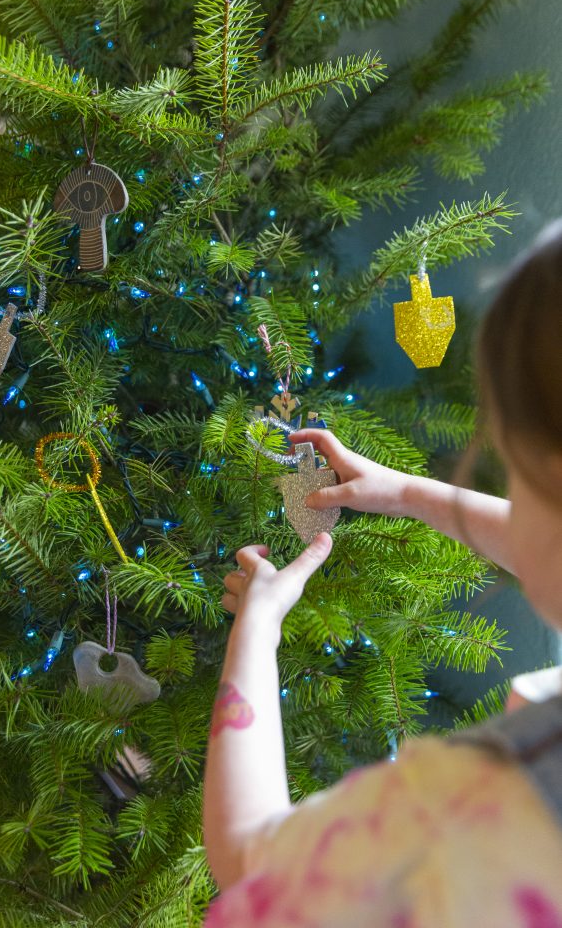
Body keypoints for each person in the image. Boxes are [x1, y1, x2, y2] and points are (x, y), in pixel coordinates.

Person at [202, 221, 562, 927]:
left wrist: (256, 630)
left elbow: (250, 858)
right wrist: (405, 493)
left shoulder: (483, 802)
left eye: (517, 482)